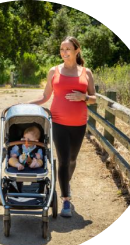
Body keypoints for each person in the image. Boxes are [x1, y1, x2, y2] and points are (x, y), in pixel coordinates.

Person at [27, 36, 96, 217]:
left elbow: (94, 99)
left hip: (79, 123)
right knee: (63, 160)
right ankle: (66, 199)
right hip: (57, 122)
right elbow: (45, 97)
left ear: (76, 50)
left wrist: (84, 98)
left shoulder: (86, 73)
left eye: (67, 49)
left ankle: (66, 182)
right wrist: (25, 104)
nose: (64, 52)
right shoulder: (54, 71)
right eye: (61, 49)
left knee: (72, 160)